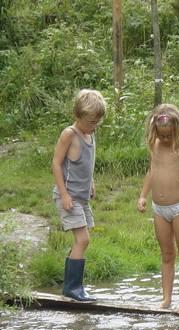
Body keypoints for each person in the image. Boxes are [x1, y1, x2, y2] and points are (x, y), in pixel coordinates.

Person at [137, 103, 179, 314]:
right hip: (159, 210)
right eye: (161, 135)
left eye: (168, 136)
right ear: (155, 131)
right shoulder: (155, 145)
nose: (165, 139)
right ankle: (166, 298)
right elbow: (152, 171)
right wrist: (143, 195)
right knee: (166, 254)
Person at [52, 88, 106, 301]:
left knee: (82, 240)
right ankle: (72, 288)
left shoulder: (90, 135)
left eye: (97, 122)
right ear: (77, 115)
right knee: (83, 240)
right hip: (69, 196)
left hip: (82, 198)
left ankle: (73, 287)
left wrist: (91, 182)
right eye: (90, 121)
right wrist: (64, 195)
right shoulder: (69, 134)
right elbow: (56, 164)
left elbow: (86, 163)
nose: (94, 126)